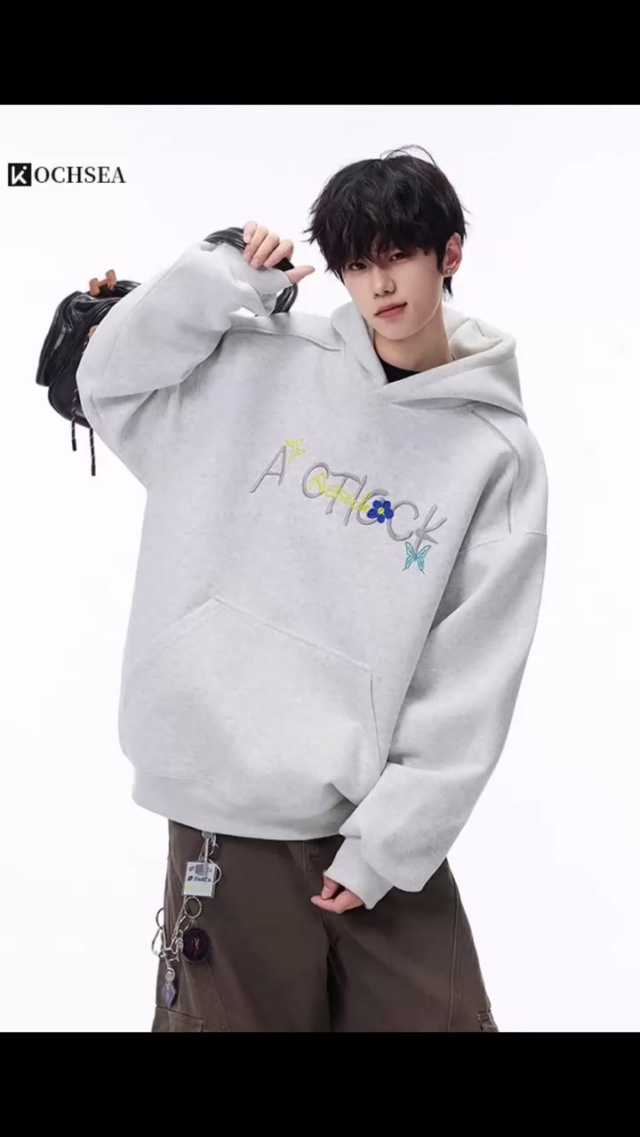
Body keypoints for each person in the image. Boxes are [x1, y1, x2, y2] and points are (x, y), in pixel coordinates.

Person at [77, 145, 548, 1032]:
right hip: (226, 815)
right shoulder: (265, 363)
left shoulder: (495, 453)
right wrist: (216, 276)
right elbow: (107, 384)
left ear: (448, 252)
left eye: (399, 255)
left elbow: (471, 674)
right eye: (358, 264)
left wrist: (389, 845)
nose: (381, 285)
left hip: (378, 827)